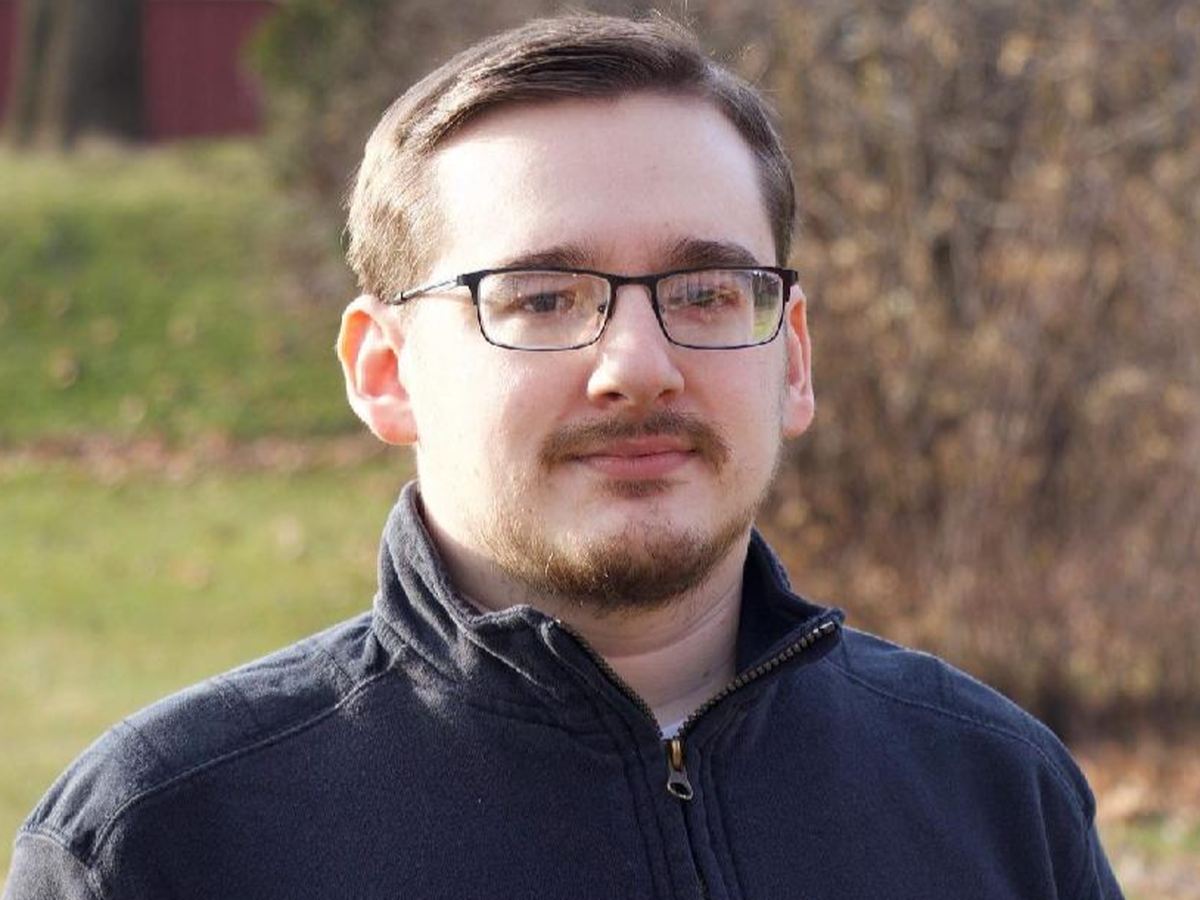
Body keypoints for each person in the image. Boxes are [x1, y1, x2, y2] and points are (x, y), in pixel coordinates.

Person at [4, 14, 1123, 900]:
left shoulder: (994, 794)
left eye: (706, 291)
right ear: (385, 370)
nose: (638, 366)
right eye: (541, 297)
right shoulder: (166, 842)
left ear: (792, 359)